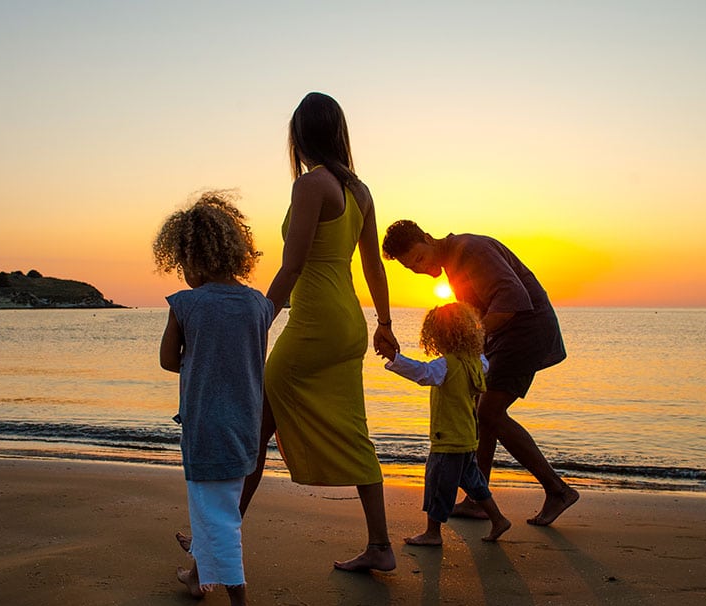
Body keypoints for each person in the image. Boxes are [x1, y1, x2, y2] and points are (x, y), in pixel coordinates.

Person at [242, 91, 401, 572]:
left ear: (300, 136)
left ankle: (214, 542)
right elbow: (373, 266)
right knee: (354, 432)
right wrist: (385, 324)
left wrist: (258, 320)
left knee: (256, 430)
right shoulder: (361, 190)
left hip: (315, 324)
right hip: (348, 323)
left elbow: (292, 267)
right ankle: (380, 545)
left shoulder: (311, 186)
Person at [382, 220, 579, 526]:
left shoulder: (471, 250)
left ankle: (558, 490)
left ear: (427, 238)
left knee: (488, 412)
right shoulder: (454, 263)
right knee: (481, 411)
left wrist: (471, 341)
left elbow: (511, 301)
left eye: (419, 258)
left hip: (526, 330)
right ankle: (477, 499)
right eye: (411, 268)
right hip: (504, 338)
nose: (419, 269)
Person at [154, 191, 274, 606]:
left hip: (206, 426)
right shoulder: (259, 304)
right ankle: (195, 575)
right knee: (213, 504)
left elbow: (169, 361)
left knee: (217, 514)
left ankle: (240, 605)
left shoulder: (186, 304)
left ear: (191, 258)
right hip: (246, 424)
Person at [384, 302, 511, 545]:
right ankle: (498, 519)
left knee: (437, 484)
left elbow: (422, 373)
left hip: (448, 438)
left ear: (438, 336)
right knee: (474, 482)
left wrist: (394, 359)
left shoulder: (446, 365)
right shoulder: (477, 362)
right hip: (468, 436)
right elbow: (484, 363)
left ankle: (433, 533)